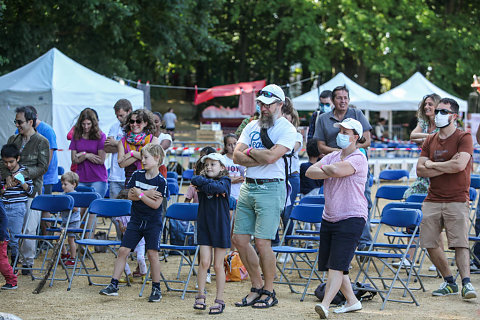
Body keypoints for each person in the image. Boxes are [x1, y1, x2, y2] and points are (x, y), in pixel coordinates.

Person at [232, 84, 297, 308]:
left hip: (271, 187)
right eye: (260, 103)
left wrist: (249, 152)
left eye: (268, 104)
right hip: (248, 186)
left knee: (262, 242)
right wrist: (256, 155)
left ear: (280, 104)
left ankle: (269, 290)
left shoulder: (287, 129)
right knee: (239, 240)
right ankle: (257, 285)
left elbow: (271, 157)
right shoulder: (251, 125)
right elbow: (235, 156)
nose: (263, 107)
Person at [417, 97, 477, 300]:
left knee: (460, 243)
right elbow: (419, 170)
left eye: (444, 111)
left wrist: (433, 165)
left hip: (457, 198)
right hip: (432, 199)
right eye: (437, 111)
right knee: (429, 242)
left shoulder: (464, 137)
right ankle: (450, 281)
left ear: (454, 116)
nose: (438, 114)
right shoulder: (430, 139)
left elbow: (459, 166)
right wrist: (443, 166)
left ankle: (467, 284)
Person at [307, 118, 368, 318]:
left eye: (345, 131)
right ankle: (352, 301)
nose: (340, 133)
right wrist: (329, 169)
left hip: (352, 216)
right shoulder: (334, 156)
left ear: (355, 137)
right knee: (335, 263)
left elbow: (333, 170)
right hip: (330, 216)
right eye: (340, 129)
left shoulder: (359, 158)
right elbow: (309, 171)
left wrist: (326, 170)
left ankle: (324, 305)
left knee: (336, 265)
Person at [99, 143, 167, 302]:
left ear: (157, 159)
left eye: (146, 157)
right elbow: (130, 195)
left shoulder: (161, 181)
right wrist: (146, 194)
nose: (142, 160)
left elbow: (156, 205)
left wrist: (141, 194)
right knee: (123, 250)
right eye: (142, 157)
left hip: (152, 222)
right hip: (136, 221)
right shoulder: (137, 175)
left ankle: (156, 288)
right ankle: (113, 285)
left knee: (152, 254)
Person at [313, 85, 373, 251]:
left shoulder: (357, 114)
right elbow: (320, 146)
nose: (343, 101)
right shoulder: (323, 119)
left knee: (362, 200)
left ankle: (364, 242)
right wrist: (337, 155)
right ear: (333, 100)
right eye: (339, 97)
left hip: (353, 165)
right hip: (333, 161)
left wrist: (348, 151)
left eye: (346, 97)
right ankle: (342, 241)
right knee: (335, 199)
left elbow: (367, 140)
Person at [0, 106, 49, 274]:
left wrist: (23, 174)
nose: (17, 125)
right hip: (12, 191)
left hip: (31, 189)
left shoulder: (42, 141)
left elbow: (43, 167)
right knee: (13, 228)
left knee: (29, 228)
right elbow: (3, 161)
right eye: (16, 121)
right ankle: (15, 259)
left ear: (30, 121)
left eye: (19, 122)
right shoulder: (13, 139)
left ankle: (27, 262)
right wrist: (7, 175)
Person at [191, 153, 231, 315]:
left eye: (213, 164)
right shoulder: (199, 179)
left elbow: (220, 188)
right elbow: (195, 180)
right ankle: (200, 295)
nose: (208, 167)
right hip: (204, 226)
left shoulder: (226, 181)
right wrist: (208, 185)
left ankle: (219, 299)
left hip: (220, 226)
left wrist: (205, 186)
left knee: (218, 265)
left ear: (222, 167)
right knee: (204, 263)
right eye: (206, 164)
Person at [0, 144, 34, 266]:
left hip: (17, 207)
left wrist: (22, 183)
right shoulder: (3, 173)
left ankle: (14, 264)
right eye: (5, 162)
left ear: (18, 158)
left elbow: (31, 191)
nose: (8, 165)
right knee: (4, 238)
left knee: (14, 238)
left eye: (11, 162)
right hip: (4, 206)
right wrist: (4, 188)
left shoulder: (24, 172)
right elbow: (1, 191)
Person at [404, 93, 441, 200]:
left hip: (438, 166)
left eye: (430, 104)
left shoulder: (443, 122)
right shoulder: (424, 122)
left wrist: (423, 140)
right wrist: (432, 137)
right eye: (425, 104)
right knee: (408, 195)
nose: (426, 107)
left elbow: (443, 139)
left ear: (438, 106)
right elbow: (412, 136)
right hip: (423, 165)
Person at [69, 108, 108, 197]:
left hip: (97, 178)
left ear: (93, 123)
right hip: (81, 178)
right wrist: (86, 155)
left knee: (95, 205)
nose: (86, 127)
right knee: (80, 205)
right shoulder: (76, 136)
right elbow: (74, 160)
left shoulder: (100, 136)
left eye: (88, 124)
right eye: (83, 124)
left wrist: (81, 155)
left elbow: (101, 160)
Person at [118, 109, 159, 187]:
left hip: (150, 181)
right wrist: (143, 155)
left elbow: (153, 159)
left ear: (146, 123)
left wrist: (131, 153)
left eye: (138, 121)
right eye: (132, 121)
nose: (134, 124)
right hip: (130, 181)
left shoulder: (153, 140)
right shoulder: (122, 141)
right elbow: (121, 164)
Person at [114, 189, 147, 283]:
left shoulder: (137, 213)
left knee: (140, 258)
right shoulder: (120, 215)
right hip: (127, 241)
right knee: (121, 257)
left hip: (139, 241)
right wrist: (122, 227)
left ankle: (144, 275)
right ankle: (128, 275)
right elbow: (121, 228)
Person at [104, 99, 132, 200]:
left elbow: (134, 148)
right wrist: (125, 146)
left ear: (129, 111)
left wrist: (116, 143)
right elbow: (107, 148)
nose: (119, 118)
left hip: (129, 175)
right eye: (117, 116)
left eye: (121, 115)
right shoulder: (114, 127)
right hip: (115, 175)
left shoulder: (135, 128)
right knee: (114, 210)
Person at [59, 172, 81, 266]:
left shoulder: (76, 195)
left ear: (73, 184)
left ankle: (73, 258)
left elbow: (76, 208)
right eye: (62, 184)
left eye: (65, 184)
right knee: (58, 237)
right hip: (64, 221)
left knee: (71, 239)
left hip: (73, 221)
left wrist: (66, 205)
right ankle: (64, 254)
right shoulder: (62, 194)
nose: (63, 186)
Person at [0, 201, 18, 290]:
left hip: (1, 238)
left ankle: (12, 280)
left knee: (2, 262)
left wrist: (2, 236)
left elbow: (4, 219)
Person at [222, 134, 245, 201]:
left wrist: (241, 178)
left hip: (239, 193)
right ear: (225, 147)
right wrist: (230, 180)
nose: (233, 147)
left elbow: (246, 175)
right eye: (229, 145)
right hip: (226, 193)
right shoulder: (222, 160)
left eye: (235, 144)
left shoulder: (242, 159)